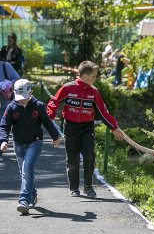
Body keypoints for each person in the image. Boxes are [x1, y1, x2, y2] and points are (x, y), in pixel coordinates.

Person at [46, 61, 124, 198]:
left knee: (89, 155)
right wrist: (50, 117)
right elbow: (53, 102)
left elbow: (103, 112)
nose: (95, 78)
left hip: (87, 128)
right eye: (94, 76)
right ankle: (74, 188)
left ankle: (88, 187)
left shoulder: (94, 92)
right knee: (73, 159)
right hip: (70, 127)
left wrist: (114, 127)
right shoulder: (67, 88)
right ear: (86, 76)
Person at [0, 79, 62, 215]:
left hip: (35, 142)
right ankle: (32, 194)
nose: (21, 101)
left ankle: (24, 201)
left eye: (24, 98)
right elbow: (4, 125)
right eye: (19, 98)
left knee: (27, 168)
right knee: (24, 172)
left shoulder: (38, 106)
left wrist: (55, 137)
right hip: (18, 143)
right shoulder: (11, 107)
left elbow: (47, 123)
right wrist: (3, 140)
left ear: (31, 93)